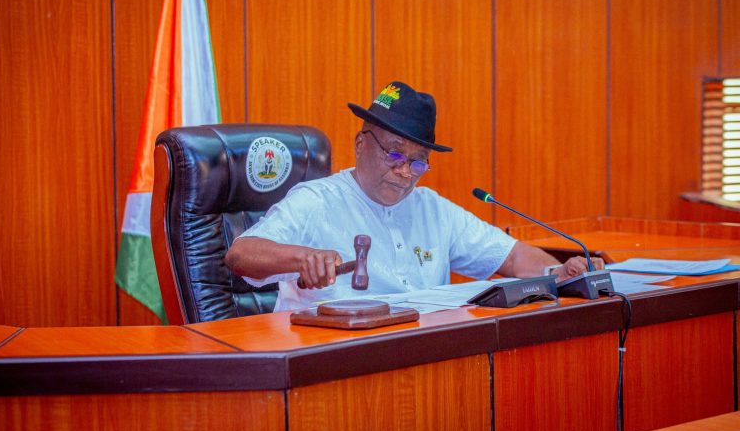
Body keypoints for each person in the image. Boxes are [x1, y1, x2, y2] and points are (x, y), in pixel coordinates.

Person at [225, 81, 603, 311]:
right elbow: (240, 255)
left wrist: (558, 271)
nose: (405, 171)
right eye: (393, 153)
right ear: (360, 144)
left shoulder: (433, 210)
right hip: (330, 358)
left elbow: (516, 257)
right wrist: (301, 256)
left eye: (418, 162)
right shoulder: (317, 201)